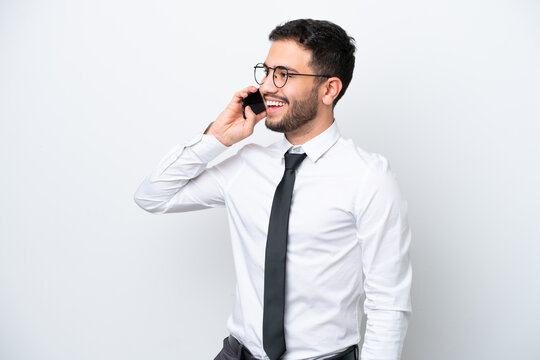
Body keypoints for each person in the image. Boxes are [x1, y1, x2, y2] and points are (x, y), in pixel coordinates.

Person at [134, 19, 412, 360]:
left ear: (329, 89)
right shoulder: (246, 166)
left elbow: (388, 304)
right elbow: (152, 196)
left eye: (284, 74)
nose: (267, 86)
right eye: (265, 72)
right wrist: (216, 139)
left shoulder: (368, 178)